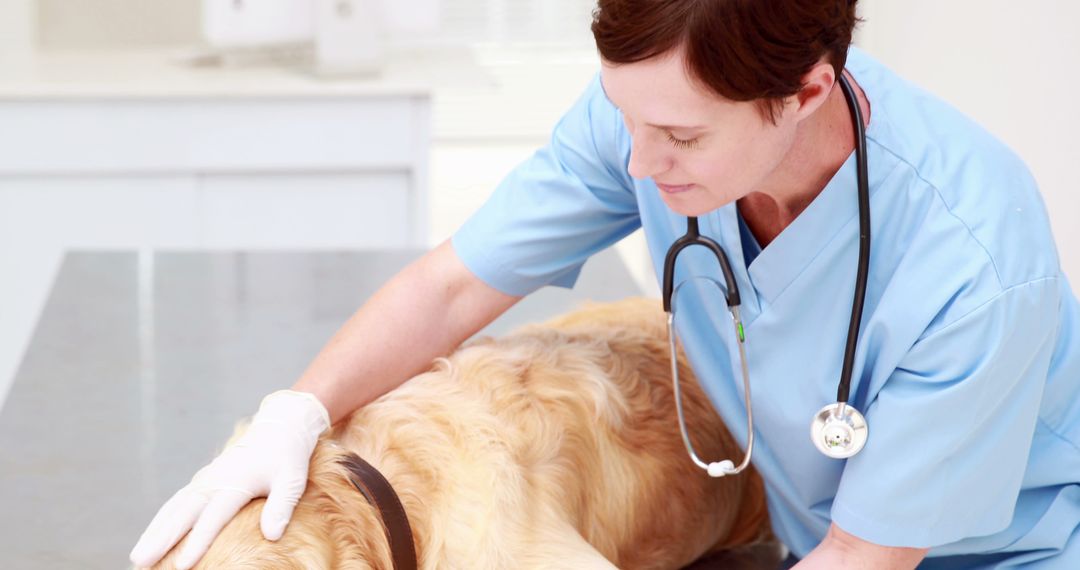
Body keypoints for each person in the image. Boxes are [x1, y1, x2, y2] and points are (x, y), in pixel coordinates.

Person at [130, 0, 1080, 568]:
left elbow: (867, 558)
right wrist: (296, 411)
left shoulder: (976, 270)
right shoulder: (655, 110)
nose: (637, 162)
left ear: (806, 94)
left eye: (680, 139)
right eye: (625, 116)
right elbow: (454, 288)